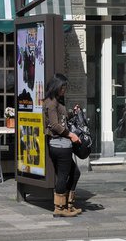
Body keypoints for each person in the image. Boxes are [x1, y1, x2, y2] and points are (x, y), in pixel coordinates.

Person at [43, 73, 82, 217]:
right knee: (64, 175)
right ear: (56, 86)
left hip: (61, 143)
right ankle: (59, 208)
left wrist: (73, 112)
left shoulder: (57, 101)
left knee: (73, 173)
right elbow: (54, 125)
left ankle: (67, 204)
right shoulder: (51, 103)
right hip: (59, 144)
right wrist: (71, 135)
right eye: (62, 87)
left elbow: (62, 119)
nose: (64, 89)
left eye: (65, 87)